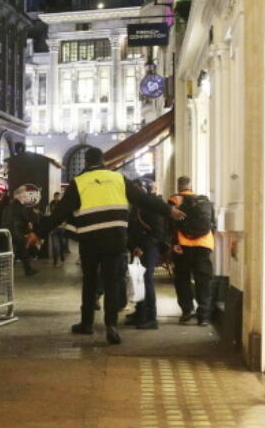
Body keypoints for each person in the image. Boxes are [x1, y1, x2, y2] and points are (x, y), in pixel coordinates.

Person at [27, 147, 180, 345]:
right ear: (104, 161)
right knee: (112, 282)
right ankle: (111, 326)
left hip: (90, 239)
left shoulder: (79, 182)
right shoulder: (118, 179)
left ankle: (87, 323)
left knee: (90, 281)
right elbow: (145, 199)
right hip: (115, 239)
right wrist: (169, 211)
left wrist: (37, 233)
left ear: (85, 163)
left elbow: (60, 213)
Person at [170, 176, 215, 325]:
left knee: (182, 279)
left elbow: (171, 223)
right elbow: (212, 223)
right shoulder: (204, 201)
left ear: (178, 187)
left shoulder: (175, 200)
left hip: (183, 245)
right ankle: (203, 316)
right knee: (203, 280)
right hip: (204, 244)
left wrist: (173, 243)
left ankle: (187, 311)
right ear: (191, 186)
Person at [125, 176, 166, 329]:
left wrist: (141, 247)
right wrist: (132, 246)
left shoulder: (154, 206)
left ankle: (151, 317)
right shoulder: (137, 206)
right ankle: (140, 313)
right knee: (137, 282)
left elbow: (158, 233)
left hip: (148, 250)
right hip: (137, 250)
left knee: (146, 282)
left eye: (137, 190)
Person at [1, 185, 39, 277]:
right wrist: (30, 220)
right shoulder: (19, 206)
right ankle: (27, 270)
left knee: (18, 251)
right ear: (20, 196)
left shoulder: (9, 206)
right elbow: (25, 217)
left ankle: (27, 270)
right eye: (25, 194)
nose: (26, 196)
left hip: (10, 231)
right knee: (21, 250)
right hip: (17, 232)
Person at [45, 191, 69, 265]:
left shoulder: (63, 205)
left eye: (59, 197)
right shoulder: (49, 205)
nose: (58, 198)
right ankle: (55, 260)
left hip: (61, 227)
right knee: (55, 245)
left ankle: (61, 255)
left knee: (61, 243)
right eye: (56, 196)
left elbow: (66, 215)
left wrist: (65, 223)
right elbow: (47, 215)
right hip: (53, 228)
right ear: (54, 197)